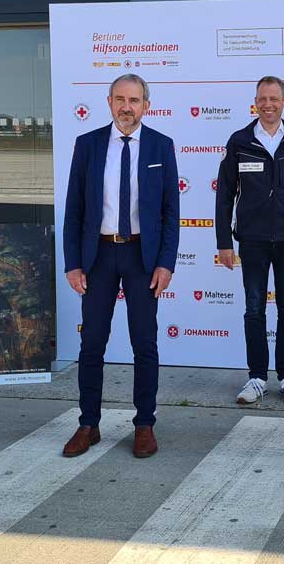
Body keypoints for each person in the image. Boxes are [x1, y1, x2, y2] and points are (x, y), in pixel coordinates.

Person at [61, 73, 179, 459]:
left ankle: (145, 423)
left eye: (135, 100)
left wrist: (165, 262)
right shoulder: (88, 145)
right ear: (109, 102)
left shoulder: (162, 146)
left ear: (147, 104)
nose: (127, 107)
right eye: (120, 99)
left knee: (144, 342)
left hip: (142, 256)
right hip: (98, 256)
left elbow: (170, 213)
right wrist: (73, 263)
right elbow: (74, 210)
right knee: (92, 342)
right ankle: (88, 423)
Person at [215, 76, 284, 405]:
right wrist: (224, 242)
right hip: (252, 240)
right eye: (262, 98)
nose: (268, 104)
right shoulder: (240, 141)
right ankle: (257, 377)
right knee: (253, 309)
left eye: (274, 98)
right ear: (255, 101)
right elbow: (224, 196)